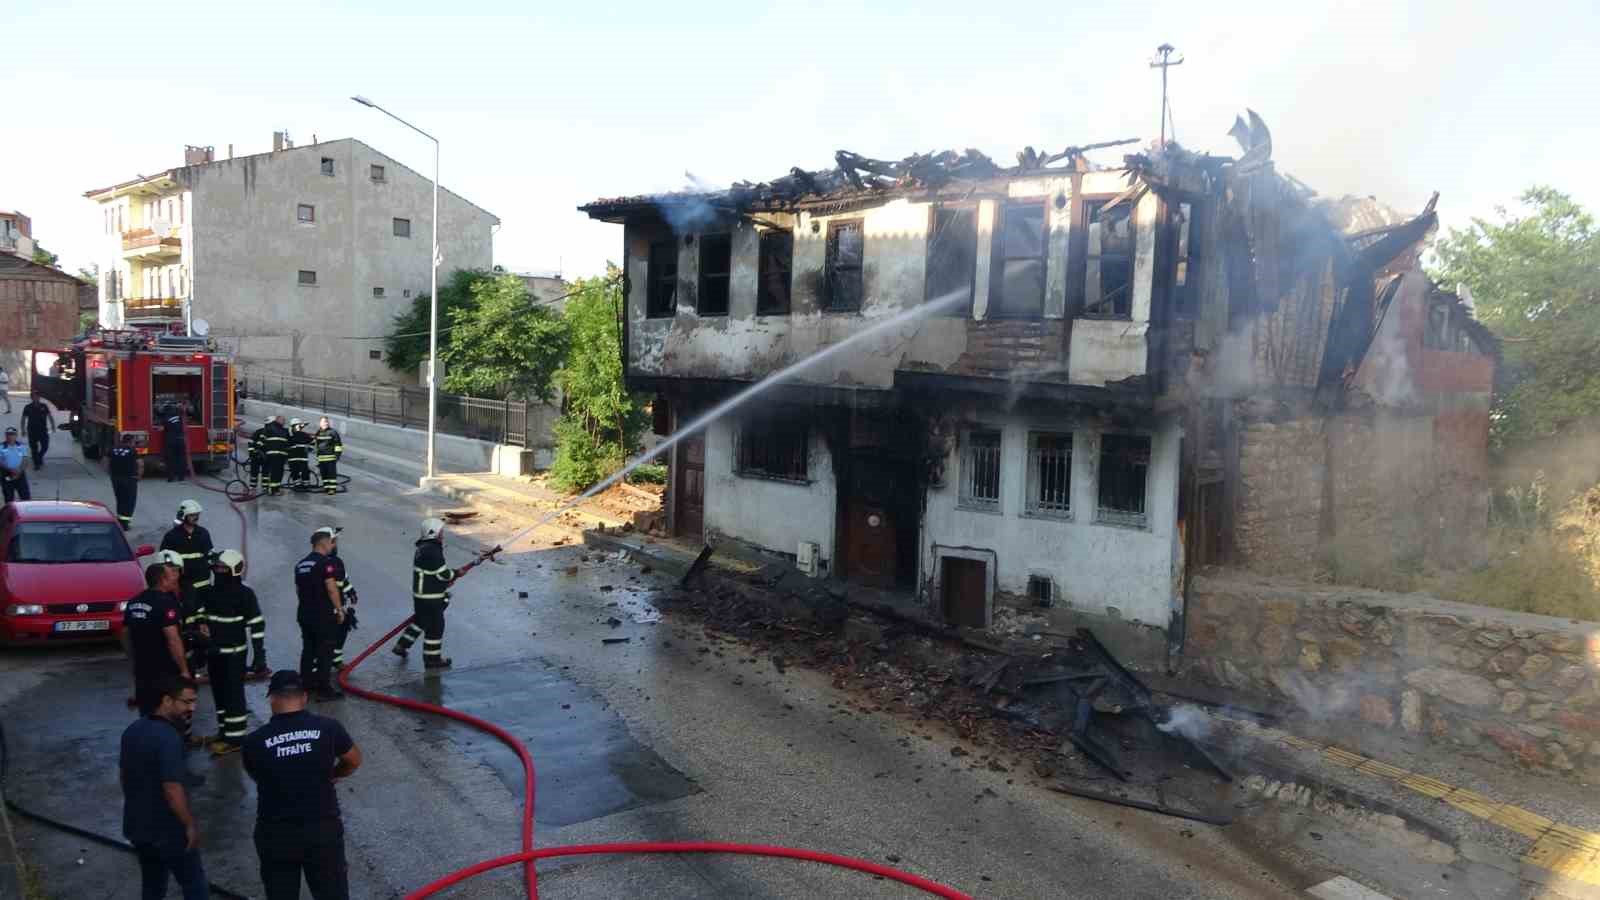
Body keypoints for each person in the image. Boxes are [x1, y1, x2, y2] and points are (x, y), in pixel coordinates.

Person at [242, 671, 361, 900]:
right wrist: (332, 774)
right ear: (304, 697)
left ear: (272, 699)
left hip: (276, 834)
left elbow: (256, 775)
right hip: (322, 831)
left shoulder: (253, 741)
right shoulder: (329, 728)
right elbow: (354, 760)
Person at [119, 674, 208, 900]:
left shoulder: (133, 730)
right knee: (194, 883)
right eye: (186, 702)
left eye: (194, 701)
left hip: (138, 827)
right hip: (168, 830)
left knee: (153, 885)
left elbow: (125, 776)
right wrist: (188, 825)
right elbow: (172, 789)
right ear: (167, 701)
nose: (193, 708)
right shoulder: (169, 738)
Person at [121, 561, 201, 747]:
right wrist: (183, 670)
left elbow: (125, 634)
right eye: (172, 574)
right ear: (162, 579)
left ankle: (148, 744)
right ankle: (176, 744)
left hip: (142, 668)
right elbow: (173, 639)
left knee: (147, 708)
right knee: (172, 708)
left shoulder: (134, 602)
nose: (176, 576)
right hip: (165, 668)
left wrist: (132, 658)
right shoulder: (166, 603)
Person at [203, 550, 261, 756]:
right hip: (214, 653)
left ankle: (235, 738)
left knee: (233, 695)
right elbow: (203, 619)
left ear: (234, 570)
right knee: (219, 693)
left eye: (222, 569)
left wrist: (259, 657)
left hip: (234, 655)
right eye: (216, 568)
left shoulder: (245, 595)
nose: (218, 571)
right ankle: (224, 732)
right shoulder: (210, 593)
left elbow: (256, 625)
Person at [162, 500, 215, 683]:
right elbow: (165, 562)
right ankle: (184, 662)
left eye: (197, 515)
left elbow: (209, 556)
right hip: (184, 588)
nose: (196, 518)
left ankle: (204, 662)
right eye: (192, 515)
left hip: (204, 588)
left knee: (205, 624)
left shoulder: (203, 534)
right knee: (186, 625)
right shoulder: (172, 537)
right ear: (183, 516)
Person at [393, 518, 455, 670]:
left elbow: (431, 573)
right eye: (441, 532)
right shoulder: (433, 550)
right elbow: (443, 573)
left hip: (421, 597)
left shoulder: (423, 548)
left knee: (421, 621)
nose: (443, 535)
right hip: (431, 598)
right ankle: (432, 660)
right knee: (435, 628)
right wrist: (454, 574)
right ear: (433, 533)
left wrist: (444, 581)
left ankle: (401, 646)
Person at [294, 530, 347, 700]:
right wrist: (339, 610)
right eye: (332, 542)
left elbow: (298, 590)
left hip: (304, 614)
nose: (334, 546)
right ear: (324, 543)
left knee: (308, 650)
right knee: (325, 651)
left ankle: (306, 685)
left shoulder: (300, 564)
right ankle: (324, 689)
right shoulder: (325, 563)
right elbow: (331, 589)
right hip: (323, 615)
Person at [110, 432, 143, 530]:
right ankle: (125, 524)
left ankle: (120, 520)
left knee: (120, 500)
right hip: (129, 479)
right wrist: (139, 475)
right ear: (131, 441)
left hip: (116, 478)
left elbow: (105, 461)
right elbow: (140, 464)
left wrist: (111, 473)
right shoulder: (133, 450)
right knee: (129, 501)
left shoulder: (113, 449)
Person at [19, 393, 54, 471]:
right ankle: (36, 464)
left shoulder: (44, 406)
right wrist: (23, 430)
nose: (37, 398)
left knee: (45, 446)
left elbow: (49, 416)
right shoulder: (28, 407)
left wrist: (53, 425)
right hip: (32, 431)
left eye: (38, 396)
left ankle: (39, 457)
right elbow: (23, 419)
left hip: (43, 430)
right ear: (32, 398)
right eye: (35, 397)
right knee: (34, 448)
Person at [312, 417, 343, 497]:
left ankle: (332, 489)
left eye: (327, 422)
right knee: (324, 474)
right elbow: (315, 443)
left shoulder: (333, 432)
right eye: (324, 422)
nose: (326, 423)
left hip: (330, 457)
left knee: (331, 474)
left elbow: (338, 445)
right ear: (320, 423)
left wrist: (337, 456)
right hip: (321, 458)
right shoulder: (318, 432)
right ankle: (326, 487)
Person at [262, 416, 290, 496]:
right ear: (277, 420)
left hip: (280, 455)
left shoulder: (284, 430)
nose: (284, 421)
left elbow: (288, 442)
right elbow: (263, 441)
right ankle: (273, 490)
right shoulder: (271, 428)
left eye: (284, 420)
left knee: (279, 472)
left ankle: (276, 489)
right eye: (282, 420)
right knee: (275, 472)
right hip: (274, 454)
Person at [161, 402, 188, 483]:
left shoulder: (165, 418)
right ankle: (181, 477)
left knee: (170, 459)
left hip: (171, 441)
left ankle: (171, 478)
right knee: (181, 459)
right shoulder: (180, 416)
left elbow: (163, 428)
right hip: (181, 440)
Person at [0, 426, 28, 502]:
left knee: (25, 497)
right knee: (8, 498)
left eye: (12, 434)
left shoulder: (21, 446)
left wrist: (19, 470)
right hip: (7, 475)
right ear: (5, 435)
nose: (10, 436)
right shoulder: (1, 447)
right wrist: (10, 469)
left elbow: (25, 460)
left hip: (20, 474)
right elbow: (1, 461)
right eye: (8, 434)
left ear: (16, 435)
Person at [287, 419, 313, 489]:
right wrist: (310, 449)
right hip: (297, 457)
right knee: (298, 470)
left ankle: (304, 484)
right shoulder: (290, 434)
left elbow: (312, 441)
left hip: (298, 457)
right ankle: (300, 484)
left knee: (301, 470)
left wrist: (310, 448)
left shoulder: (302, 434)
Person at [246, 421, 267, 494]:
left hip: (262, 456)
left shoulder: (260, 431)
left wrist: (252, 453)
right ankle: (257, 487)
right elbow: (251, 442)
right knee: (263, 472)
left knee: (264, 473)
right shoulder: (260, 432)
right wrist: (252, 453)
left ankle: (256, 487)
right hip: (259, 456)